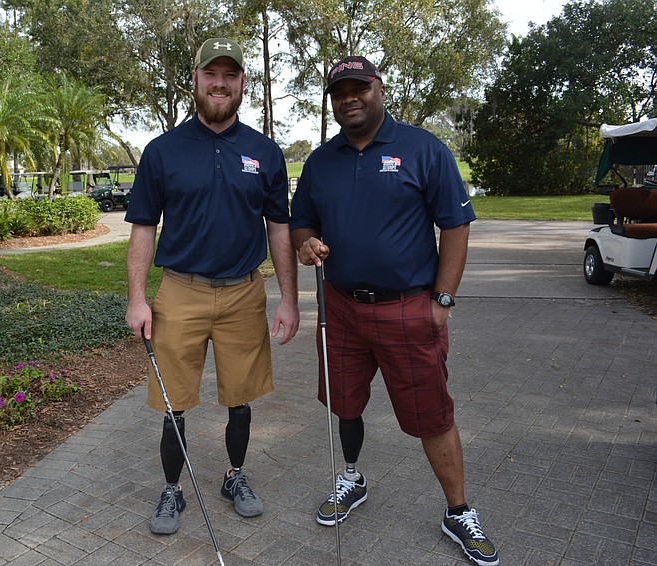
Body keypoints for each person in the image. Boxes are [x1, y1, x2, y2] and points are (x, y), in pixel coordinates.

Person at [290, 55, 498, 566]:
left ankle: (458, 510)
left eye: (358, 88)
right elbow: (301, 224)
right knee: (344, 402)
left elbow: (456, 225)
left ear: (379, 88)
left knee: (432, 415)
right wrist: (306, 244)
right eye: (339, 93)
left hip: (409, 309)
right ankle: (353, 478)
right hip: (340, 308)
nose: (349, 99)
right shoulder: (320, 161)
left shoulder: (423, 149)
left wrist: (443, 300)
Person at [125, 37, 300, 536]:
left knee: (240, 398)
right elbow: (142, 228)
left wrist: (288, 298)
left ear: (243, 82)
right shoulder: (163, 152)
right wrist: (138, 299)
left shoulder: (265, 153)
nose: (219, 83)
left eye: (230, 75)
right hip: (180, 291)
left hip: (245, 292)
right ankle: (172, 490)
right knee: (172, 400)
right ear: (196, 81)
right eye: (210, 74)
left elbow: (279, 229)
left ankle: (235, 476)